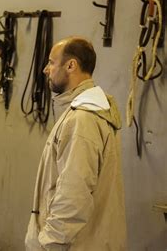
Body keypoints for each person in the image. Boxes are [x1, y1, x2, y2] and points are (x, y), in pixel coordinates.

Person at [25, 37, 127, 250]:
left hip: (77, 244)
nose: (46, 69)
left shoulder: (82, 120)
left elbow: (74, 195)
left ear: (71, 65)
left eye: (52, 62)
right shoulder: (91, 111)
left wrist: (48, 244)